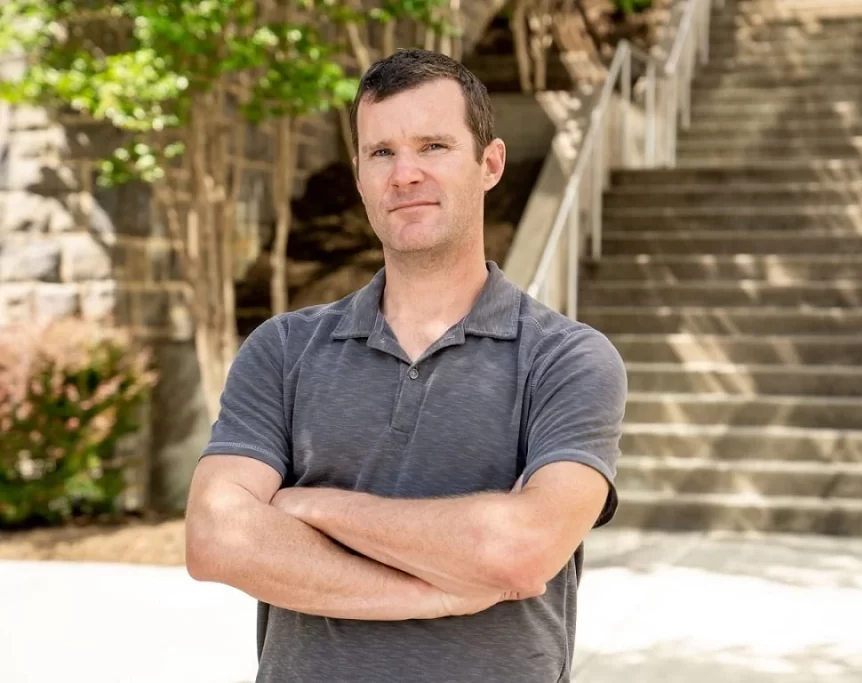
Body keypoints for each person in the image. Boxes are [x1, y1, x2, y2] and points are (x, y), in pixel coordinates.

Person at [184, 48, 627, 683]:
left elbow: (519, 550)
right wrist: (436, 594)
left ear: (490, 164)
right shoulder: (283, 349)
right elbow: (216, 538)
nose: (405, 174)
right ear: (360, 174)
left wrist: (312, 507)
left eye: (434, 146)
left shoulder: (565, 358)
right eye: (382, 152)